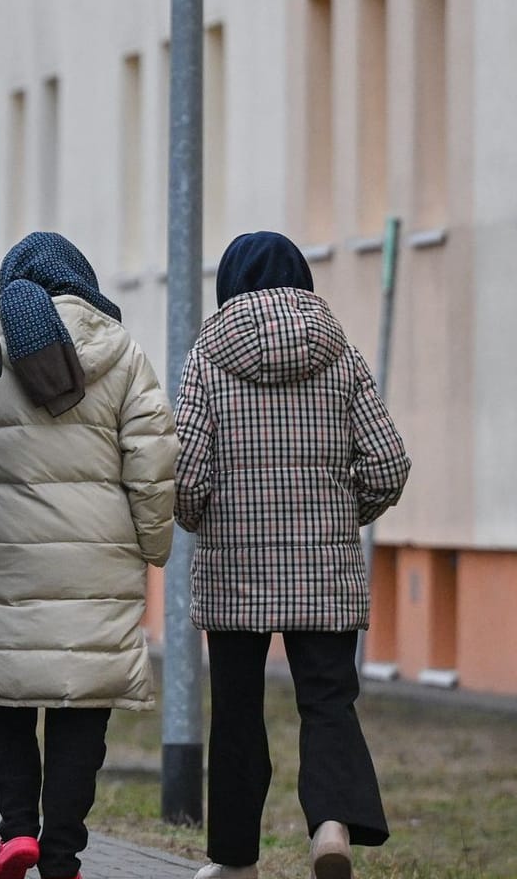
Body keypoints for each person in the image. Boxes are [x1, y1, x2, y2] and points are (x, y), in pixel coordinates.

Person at [174, 232, 411, 879]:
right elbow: (389, 464)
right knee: (328, 700)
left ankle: (235, 861)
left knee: (238, 711)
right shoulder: (342, 354)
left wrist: (201, 520)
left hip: (235, 570)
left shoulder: (206, 357)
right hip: (324, 568)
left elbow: (186, 476)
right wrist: (342, 515)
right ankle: (331, 825)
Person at [0, 233, 176, 879]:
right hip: (95, 566)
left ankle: (17, 833)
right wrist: (153, 547)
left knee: (6, 699)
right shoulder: (122, 352)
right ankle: (63, 855)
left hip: (0, 560)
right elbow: (155, 461)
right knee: (82, 714)